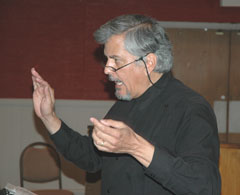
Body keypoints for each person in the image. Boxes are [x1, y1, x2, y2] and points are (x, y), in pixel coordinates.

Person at [31, 14, 221, 195]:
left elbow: (204, 187)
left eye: (116, 60)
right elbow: (92, 158)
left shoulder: (191, 108)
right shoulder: (124, 105)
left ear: (149, 63)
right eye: (107, 59)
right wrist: (49, 118)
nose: (107, 69)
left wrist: (135, 146)